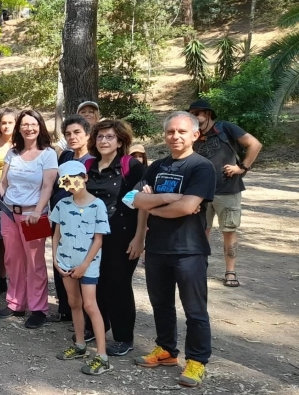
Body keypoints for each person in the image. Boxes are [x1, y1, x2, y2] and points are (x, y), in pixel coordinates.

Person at [130, 112, 216, 388]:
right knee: (161, 304)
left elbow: (188, 207)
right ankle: (166, 350)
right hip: (157, 249)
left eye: (181, 131)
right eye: (170, 132)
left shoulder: (201, 167)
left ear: (195, 135)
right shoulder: (157, 166)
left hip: (189, 250)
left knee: (195, 310)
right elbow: (132, 199)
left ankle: (197, 361)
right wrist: (165, 199)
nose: (175, 136)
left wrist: (151, 202)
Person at [83, 120, 147, 357]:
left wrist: (139, 237)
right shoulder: (88, 165)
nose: (104, 141)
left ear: (120, 141)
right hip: (91, 235)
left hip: (122, 234)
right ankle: (96, 326)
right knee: (93, 283)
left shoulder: (131, 166)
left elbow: (142, 204)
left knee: (118, 285)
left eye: (109, 137)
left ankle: (123, 338)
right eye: (100, 137)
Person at [0, 109, 57, 329]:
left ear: (40, 126)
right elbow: (4, 182)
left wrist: (39, 211)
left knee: (35, 263)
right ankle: (15, 303)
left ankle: (39, 308)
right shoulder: (12, 153)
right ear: (19, 128)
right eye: (25, 125)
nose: (29, 128)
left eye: (34, 124)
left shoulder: (48, 154)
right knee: (13, 259)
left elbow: (48, 186)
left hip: (35, 216)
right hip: (9, 213)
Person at [189, 100, 263, 288]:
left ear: (207, 114)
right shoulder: (193, 135)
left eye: (197, 113)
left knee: (228, 231)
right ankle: (200, 269)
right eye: (191, 113)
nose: (194, 117)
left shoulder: (225, 128)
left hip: (228, 190)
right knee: (200, 230)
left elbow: (255, 144)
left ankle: (230, 272)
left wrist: (242, 167)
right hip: (201, 192)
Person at [52, 161, 112, 375]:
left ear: (85, 177)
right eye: (65, 181)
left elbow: (99, 240)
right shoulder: (62, 204)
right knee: (73, 302)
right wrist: (55, 259)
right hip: (65, 262)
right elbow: (57, 232)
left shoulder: (98, 206)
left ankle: (102, 356)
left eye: (74, 178)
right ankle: (79, 345)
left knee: (90, 305)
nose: (71, 184)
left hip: (87, 266)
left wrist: (85, 265)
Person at [50, 114, 93, 323]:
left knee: (80, 266)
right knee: (60, 261)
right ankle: (66, 309)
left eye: (77, 132)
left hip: (81, 222)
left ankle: (85, 315)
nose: (72, 137)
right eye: (68, 134)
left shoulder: (92, 161)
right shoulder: (66, 157)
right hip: (60, 218)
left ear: (87, 134)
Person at [0, 108, 17, 295]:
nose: (7, 126)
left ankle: (19, 280)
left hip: (21, 198)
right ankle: (1, 278)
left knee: (17, 242)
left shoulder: (23, 143)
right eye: (3, 123)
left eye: (10, 122)